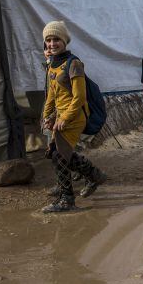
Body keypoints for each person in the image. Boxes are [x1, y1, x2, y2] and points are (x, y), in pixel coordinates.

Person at [41, 21, 107, 213]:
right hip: (61, 116)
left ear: (65, 41)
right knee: (60, 154)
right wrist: (47, 116)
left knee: (59, 155)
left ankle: (67, 200)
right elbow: (52, 95)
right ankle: (94, 176)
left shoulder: (74, 64)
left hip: (74, 116)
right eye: (49, 40)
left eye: (56, 40)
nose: (52, 44)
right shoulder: (53, 64)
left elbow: (80, 97)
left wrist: (65, 118)